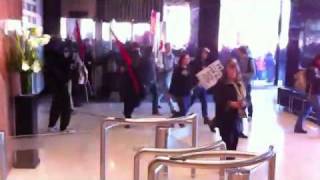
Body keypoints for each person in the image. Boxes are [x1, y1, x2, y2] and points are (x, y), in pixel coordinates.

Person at [215, 59, 247, 150]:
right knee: (227, 144)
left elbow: (244, 98)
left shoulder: (239, 84)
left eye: (235, 69)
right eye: (231, 69)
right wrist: (231, 104)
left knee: (234, 145)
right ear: (226, 70)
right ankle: (227, 163)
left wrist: (243, 103)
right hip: (225, 119)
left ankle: (232, 163)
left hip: (237, 119)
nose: (233, 72)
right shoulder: (221, 84)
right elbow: (219, 100)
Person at [47, 44, 75, 133]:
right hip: (60, 84)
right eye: (66, 52)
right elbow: (61, 74)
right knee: (64, 106)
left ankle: (54, 125)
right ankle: (62, 127)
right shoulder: (57, 61)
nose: (67, 54)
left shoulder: (62, 61)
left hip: (60, 84)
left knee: (58, 105)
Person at [295, 55, 320, 133]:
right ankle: (298, 127)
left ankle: (298, 127)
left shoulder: (315, 69)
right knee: (318, 110)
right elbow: (314, 81)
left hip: (312, 93)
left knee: (306, 110)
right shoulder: (313, 69)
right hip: (313, 93)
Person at [119, 42, 145, 121]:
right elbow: (133, 65)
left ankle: (127, 114)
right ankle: (127, 115)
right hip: (132, 82)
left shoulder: (133, 55)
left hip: (132, 81)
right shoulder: (135, 55)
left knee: (130, 100)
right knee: (132, 99)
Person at [236, 46, 256, 138]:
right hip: (239, 84)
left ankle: (250, 114)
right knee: (241, 103)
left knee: (247, 100)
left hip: (246, 84)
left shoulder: (249, 60)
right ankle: (240, 126)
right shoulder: (238, 60)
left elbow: (253, 72)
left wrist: (242, 75)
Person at [190, 47, 212, 124]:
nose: (206, 55)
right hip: (196, 85)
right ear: (201, 53)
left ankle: (205, 117)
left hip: (202, 85)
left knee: (204, 100)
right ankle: (180, 114)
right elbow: (193, 73)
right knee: (191, 101)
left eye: (207, 53)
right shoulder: (195, 62)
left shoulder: (204, 62)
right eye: (205, 53)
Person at [169, 53, 194, 118]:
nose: (188, 60)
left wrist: (191, 88)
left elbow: (190, 80)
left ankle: (176, 119)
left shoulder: (189, 68)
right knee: (183, 110)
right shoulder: (177, 69)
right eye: (186, 58)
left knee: (185, 109)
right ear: (182, 60)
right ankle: (176, 120)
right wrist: (170, 92)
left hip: (187, 92)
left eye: (188, 58)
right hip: (180, 93)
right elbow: (173, 81)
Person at [139, 46, 160, 115]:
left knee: (155, 95)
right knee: (143, 95)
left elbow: (154, 69)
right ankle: (130, 106)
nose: (153, 52)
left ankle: (155, 110)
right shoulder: (144, 59)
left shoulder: (150, 58)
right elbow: (142, 71)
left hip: (152, 80)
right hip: (148, 81)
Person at [158, 43, 176, 114]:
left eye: (170, 47)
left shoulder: (172, 56)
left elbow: (174, 65)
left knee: (163, 90)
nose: (169, 48)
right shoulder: (161, 55)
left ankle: (157, 102)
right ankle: (172, 107)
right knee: (167, 91)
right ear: (165, 48)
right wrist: (160, 68)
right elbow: (159, 64)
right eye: (168, 47)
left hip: (169, 75)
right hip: (163, 74)